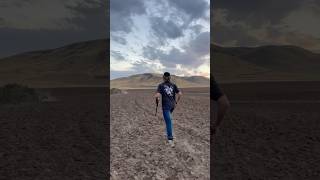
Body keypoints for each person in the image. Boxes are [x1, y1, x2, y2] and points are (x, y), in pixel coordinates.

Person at [154, 72, 182, 147]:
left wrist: (156, 96)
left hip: (166, 107)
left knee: (168, 122)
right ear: (170, 77)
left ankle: (170, 139)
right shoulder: (174, 85)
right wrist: (176, 102)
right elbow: (180, 94)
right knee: (168, 119)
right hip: (172, 106)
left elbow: (158, 95)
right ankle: (168, 132)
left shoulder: (161, 85)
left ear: (163, 77)